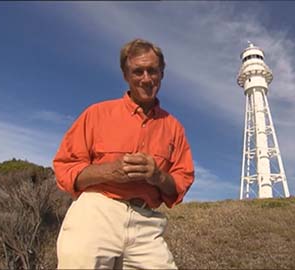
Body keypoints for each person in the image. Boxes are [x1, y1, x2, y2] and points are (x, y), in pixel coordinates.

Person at [53, 38, 194, 269]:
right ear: (126, 75)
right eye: (138, 71)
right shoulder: (96, 114)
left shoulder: (174, 128)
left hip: (146, 222)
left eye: (153, 71)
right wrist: (108, 171)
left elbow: (179, 185)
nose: (146, 79)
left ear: (162, 74)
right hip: (96, 213)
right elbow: (65, 170)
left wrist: (157, 176)